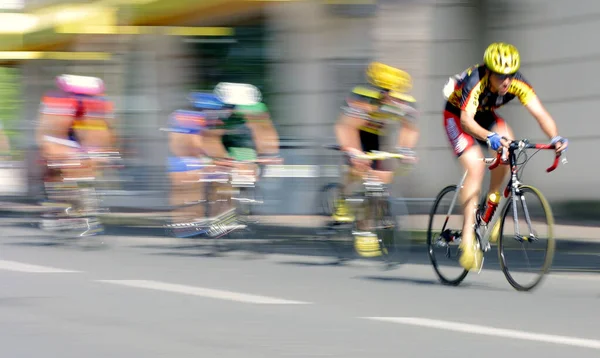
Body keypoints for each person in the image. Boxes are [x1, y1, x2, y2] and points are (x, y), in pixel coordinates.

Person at [442, 42, 568, 271]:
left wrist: (555, 138)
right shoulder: (475, 80)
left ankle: (491, 204)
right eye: (500, 76)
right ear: (489, 72)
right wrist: (488, 137)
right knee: (476, 168)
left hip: (485, 116)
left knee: (508, 143)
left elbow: (540, 114)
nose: (506, 81)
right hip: (457, 117)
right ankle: (468, 241)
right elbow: (466, 121)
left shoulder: (518, 83)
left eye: (509, 75)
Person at [333, 62, 419, 223]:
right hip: (355, 129)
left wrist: (406, 150)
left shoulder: (405, 103)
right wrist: (353, 152)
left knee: (382, 178)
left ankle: (367, 221)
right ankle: (343, 198)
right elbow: (346, 127)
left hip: (376, 134)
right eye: (388, 96)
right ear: (380, 93)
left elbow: (409, 129)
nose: (393, 101)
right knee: (357, 170)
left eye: (396, 97)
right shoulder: (364, 98)